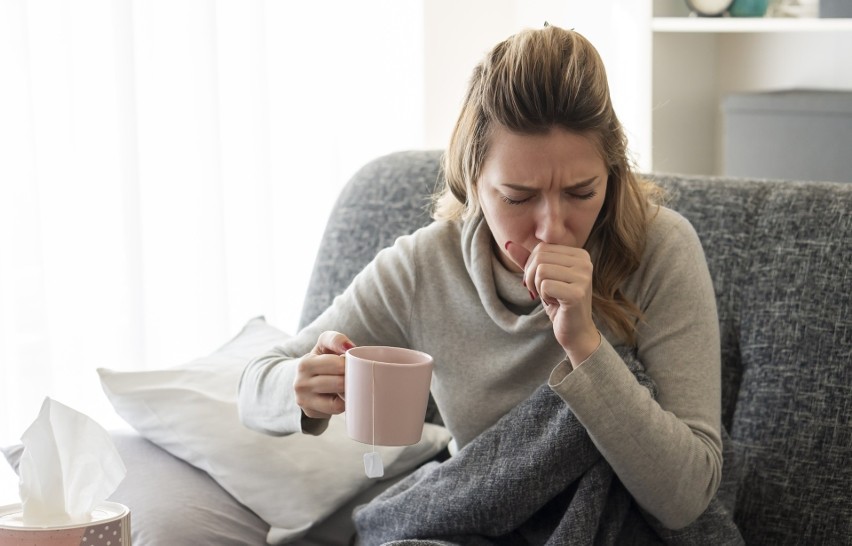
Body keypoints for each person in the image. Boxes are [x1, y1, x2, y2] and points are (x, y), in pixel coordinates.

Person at [238, 24, 722, 531]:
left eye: (582, 193)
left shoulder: (661, 248)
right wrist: (301, 388)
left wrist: (584, 344)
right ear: (470, 183)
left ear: (613, 173)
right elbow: (253, 383)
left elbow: (686, 499)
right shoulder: (426, 267)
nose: (551, 228)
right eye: (518, 197)